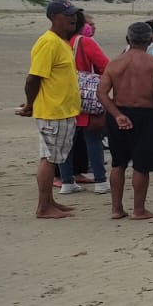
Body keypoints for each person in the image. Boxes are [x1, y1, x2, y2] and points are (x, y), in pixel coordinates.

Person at [19, 0, 84, 219]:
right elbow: (33, 78)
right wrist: (30, 104)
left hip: (62, 109)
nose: (73, 18)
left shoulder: (60, 41)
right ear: (54, 17)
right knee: (49, 158)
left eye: (74, 14)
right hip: (53, 111)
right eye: (68, 15)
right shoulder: (48, 42)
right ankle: (44, 207)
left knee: (52, 157)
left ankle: (49, 201)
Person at [98, 22, 153, 220]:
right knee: (141, 165)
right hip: (145, 114)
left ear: (128, 39)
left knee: (118, 163)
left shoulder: (114, 63)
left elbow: (101, 93)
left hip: (119, 113)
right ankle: (139, 209)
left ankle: (116, 208)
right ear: (150, 40)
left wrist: (116, 114)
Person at [59, 12, 110, 195]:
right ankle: (100, 181)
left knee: (66, 141)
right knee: (93, 139)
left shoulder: (59, 41)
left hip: (63, 96)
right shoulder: (84, 42)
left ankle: (66, 181)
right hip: (85, 97)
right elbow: (106, 66)